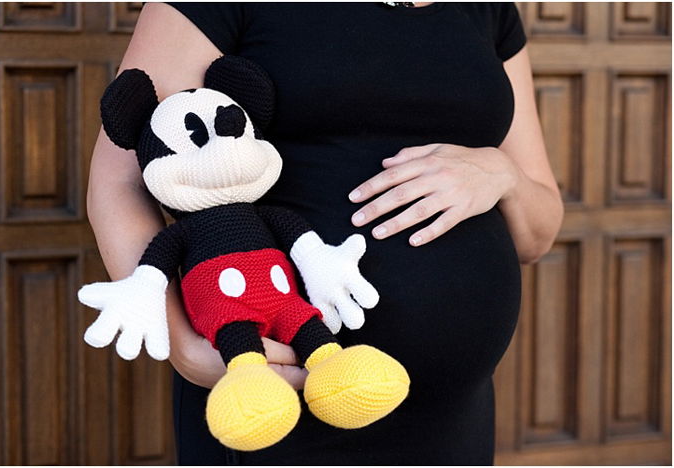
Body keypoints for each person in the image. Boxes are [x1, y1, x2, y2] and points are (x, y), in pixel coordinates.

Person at [86, 2, 563, 465]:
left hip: (454, 418)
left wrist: (503, 174)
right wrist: (187, 346)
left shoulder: (489, 8)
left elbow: (537, 234)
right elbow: (118, 181)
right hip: (278, 394)